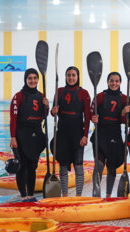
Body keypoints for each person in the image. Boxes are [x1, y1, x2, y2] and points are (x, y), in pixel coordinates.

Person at [51, 66, 91, 197]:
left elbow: (87, 117)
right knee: (63, 165)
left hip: (77, 134)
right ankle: (65, 194)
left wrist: (85, 136)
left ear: (78, 77)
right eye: (69, 75)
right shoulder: (59, 91)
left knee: (78, 166)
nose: (71, 78)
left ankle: (78, 195)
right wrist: (53, 112)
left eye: (74, 75)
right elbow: (53, 112)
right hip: (62, 133)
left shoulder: (84, 93)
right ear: (65, 76)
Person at [10, 68, 49, 202]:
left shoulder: (41, 96)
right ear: (26, 80)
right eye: (30, 78)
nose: (32, 81)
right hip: (22, 134)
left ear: (38, 79)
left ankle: (31, 195)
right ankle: (23, 196)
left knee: (32, 166)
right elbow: (13, 118)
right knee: (22, 166)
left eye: (34, 78)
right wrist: (13, 137)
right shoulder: (18, 96)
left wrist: (47, 107)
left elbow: (43, 116)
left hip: (36, 134)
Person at [90, 72, 127, 198]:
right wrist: (93, 118)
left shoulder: (124, 99)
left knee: (111, 167)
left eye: (117, 81)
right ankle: (96, 194)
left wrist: (124, 114)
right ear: (107, 81)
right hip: (100, 135)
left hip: (115, 136)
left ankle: (108, 195)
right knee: (99, 166)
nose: (114, 83)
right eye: (111, 80)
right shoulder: (99, 96)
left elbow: (125, 121)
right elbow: (91, 114)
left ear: (120, 82)